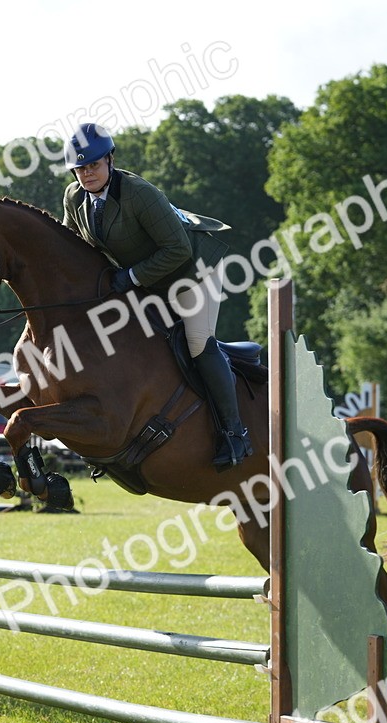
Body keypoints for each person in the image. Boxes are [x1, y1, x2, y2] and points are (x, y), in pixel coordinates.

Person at [61, 123, 250, 471]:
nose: (87, 173)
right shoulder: (74, 198)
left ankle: (235, 433)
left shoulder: (138, 193)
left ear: (110, 160)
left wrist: (130, 276)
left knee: (197, 343)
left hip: (193, 273)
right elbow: (75, 251)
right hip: (147, 281)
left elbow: (177, 249)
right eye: (80, 167)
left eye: (94, 165)